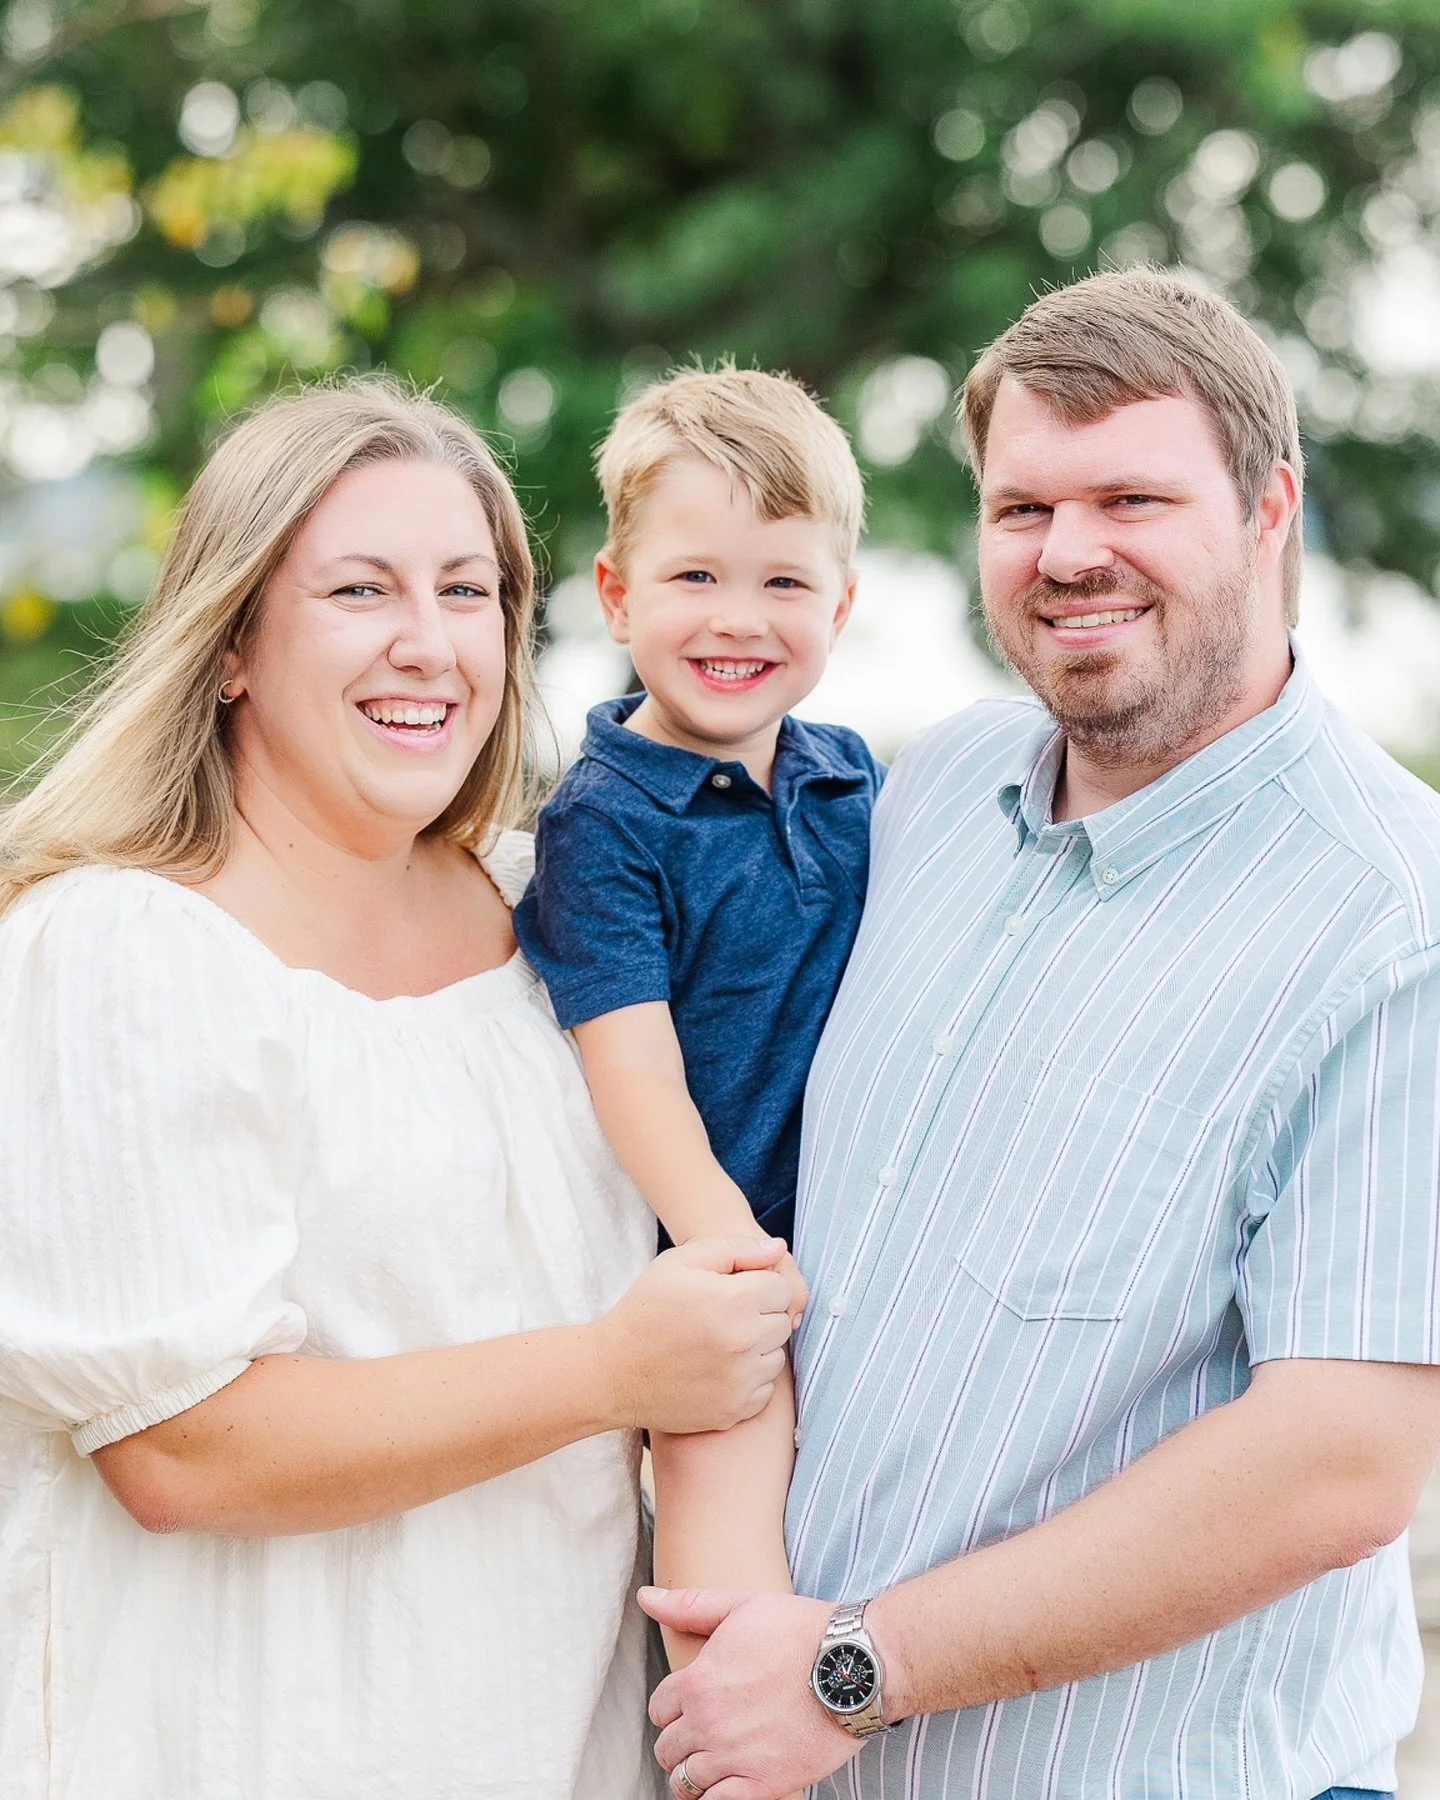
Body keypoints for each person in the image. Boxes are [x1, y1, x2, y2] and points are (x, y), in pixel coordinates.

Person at [639, 268, 1440, 1800]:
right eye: (1023, 510)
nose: (1072, 555)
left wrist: (850, 1670)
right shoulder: (929, 791)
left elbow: (1341, 1462)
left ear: (1272, 510)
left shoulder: (1397, 919)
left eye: (1133, 497)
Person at [0, 377, 797, 1800]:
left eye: (468, 591)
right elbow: (186, 1448)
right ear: (235, 640)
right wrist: (617, 1370)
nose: (429, 646)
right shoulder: (124, 950)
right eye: (360, 591)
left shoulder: (553, 926)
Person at [513, 368, 881, 1645]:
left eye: (784, 583)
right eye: (695, 578)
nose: (741, 618)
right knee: (732, 1618)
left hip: (872, 1249)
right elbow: (634, 1074)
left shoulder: (851, 780)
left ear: (841, 601)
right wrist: (731, 1254)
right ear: (616, 594)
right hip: (720, 1263)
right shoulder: (604, 823)